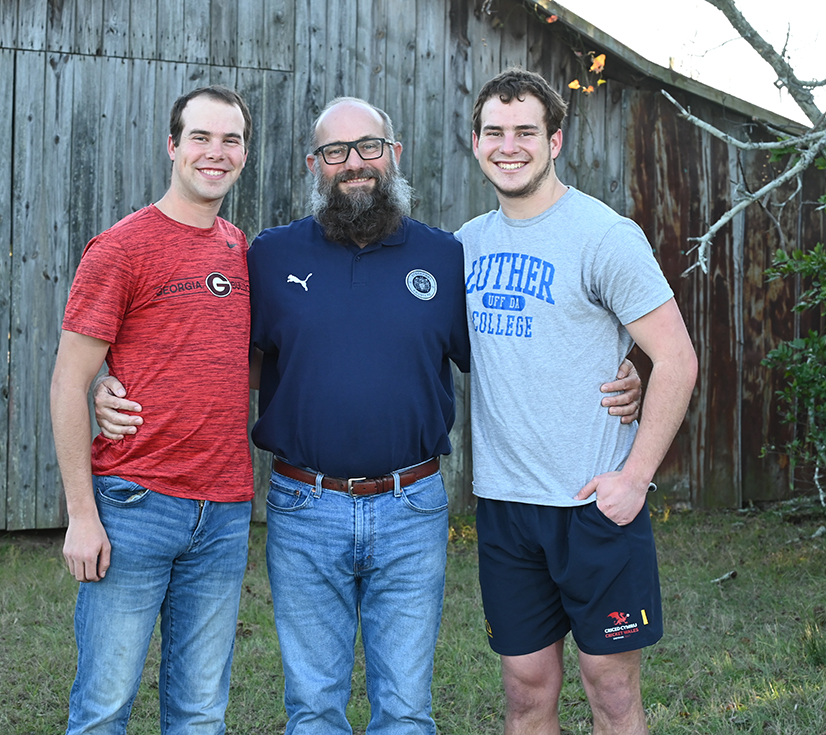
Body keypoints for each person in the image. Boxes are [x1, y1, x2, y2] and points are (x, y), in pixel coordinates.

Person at [93, 95, 643, 734]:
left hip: (412, 508)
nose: (354, 163)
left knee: (406, 711)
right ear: (313, 165)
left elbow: (517, 344)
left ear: (394, 155)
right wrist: (113, 381)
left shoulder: (445, 257)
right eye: (335, 152)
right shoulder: (269, 256)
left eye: (368, 148)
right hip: (304, 509)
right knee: (314, 709)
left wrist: (625, 367)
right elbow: (215, 353)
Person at [458, 68, 698, 735]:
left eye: (525, 131)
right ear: (475, 142)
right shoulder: (465, 245)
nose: (509, 146)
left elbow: (675, 358)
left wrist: (636, 475)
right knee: (525, 692)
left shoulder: (603, 235)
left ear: (554, 140)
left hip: (593, 506)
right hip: (506, 508)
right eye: (494, 132)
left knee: (612, 692)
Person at [49, 85, 255, 735]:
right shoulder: (121, 247)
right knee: (105, 705)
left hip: (223, 512)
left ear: (244, 153)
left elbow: (233, 362)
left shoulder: (238, 248)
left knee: (199, 711)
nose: (215, 153)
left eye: (231, 140)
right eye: (201, 137)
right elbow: (66, 383)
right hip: (135, 503)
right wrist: (83, 515)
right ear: (172, 146)